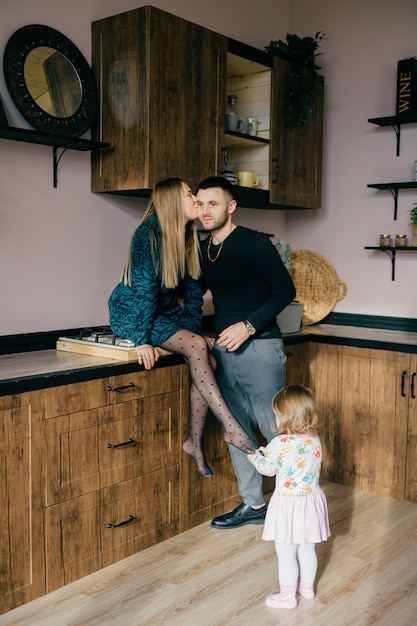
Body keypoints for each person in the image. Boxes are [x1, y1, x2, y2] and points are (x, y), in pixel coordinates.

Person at [108, 178, 256, 479]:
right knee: (199, 348)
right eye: (191, 196)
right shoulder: (146, 234)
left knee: (208, 357)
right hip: (132, 310)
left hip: (163, 311)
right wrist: (141, 339)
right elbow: (146, 291)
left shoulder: (187, 234)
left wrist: (194, 330)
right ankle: (232, 429)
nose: (197, 201)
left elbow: (192, 294)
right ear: (173, 201)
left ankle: (193, 441)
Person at [196, 176, 296, 528]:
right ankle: (254, 505)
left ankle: (294, 507)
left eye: (213, 204)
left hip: (261, 346)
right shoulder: (203, 249)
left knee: (276, 433)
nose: (206, 211)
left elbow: (285, 291)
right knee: (236, 430)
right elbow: (192, 295)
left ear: (231, 206)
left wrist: (248, 326)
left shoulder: (254, 243)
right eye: (201, 203)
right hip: (224, 351)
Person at [247, 384, 330, 609]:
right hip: (311, 502)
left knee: (286, 552)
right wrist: (271, 453)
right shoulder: (315, 440)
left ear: (285, 416)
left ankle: (287, 597)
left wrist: (256, 458)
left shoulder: (278, 444)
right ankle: (307, 590)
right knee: (306, 549)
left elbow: (269, 469)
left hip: (288, 505)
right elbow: (296, 457)